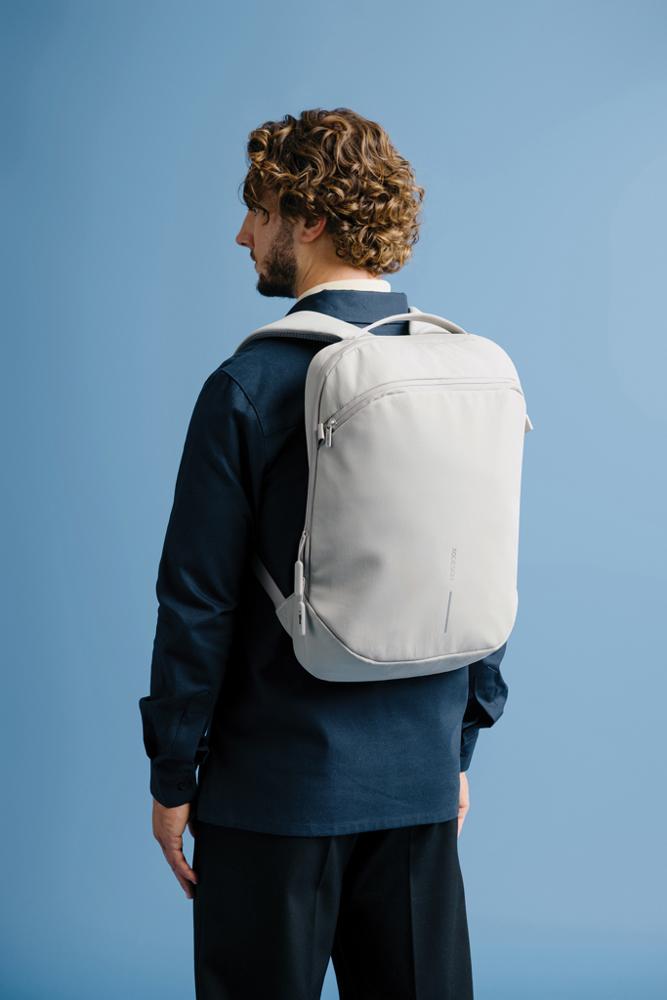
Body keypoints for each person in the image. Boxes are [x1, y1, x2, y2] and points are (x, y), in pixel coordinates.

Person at [139, 107, 509, 1000]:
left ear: (306, 220)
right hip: (419, 779)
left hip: (274, 791)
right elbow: (478, 568)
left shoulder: (249, 383)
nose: (243, 234)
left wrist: (173, 773)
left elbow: (196, 602)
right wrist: (456, 749)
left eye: (257, 210)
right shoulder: (464, 373)